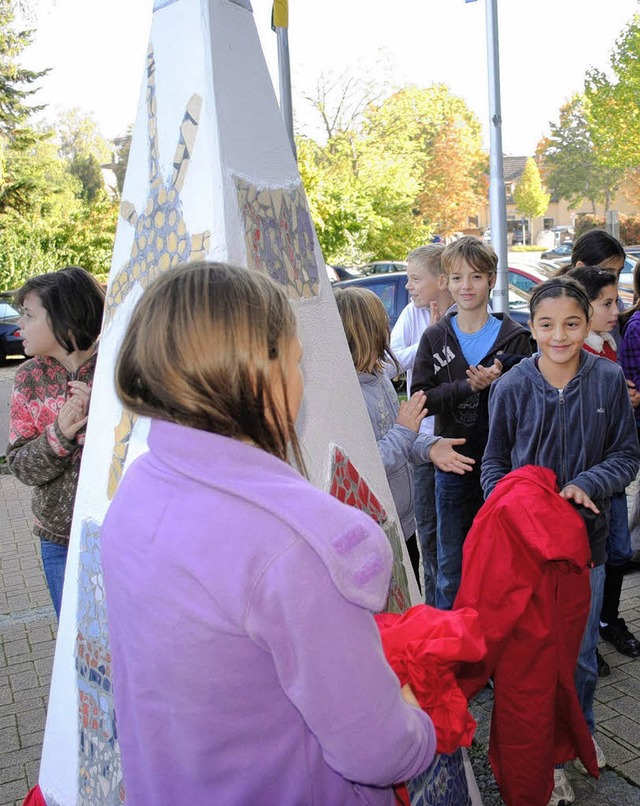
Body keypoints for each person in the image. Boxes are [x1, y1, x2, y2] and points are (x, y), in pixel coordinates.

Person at [101, 262, 437, 806]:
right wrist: (421, 724)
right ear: (262, 372)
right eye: (297, 360)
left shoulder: (139, 488)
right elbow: (376, 750)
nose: (301, 382)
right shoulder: (293, 545)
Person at [481, 277, 640, 805]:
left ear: (586, 323)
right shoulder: (511, 387)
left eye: (572, 323)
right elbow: (494, 466)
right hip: (526, 555)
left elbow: (626, 456)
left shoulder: (609, 379)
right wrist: (515, 509)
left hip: (586, 549)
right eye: (547, 325)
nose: (560, 336)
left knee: (580, 656)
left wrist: (587, 484)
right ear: (532, 327)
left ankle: (580, 733)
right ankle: (542, 757)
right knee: (531, 664)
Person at [412, 236, 533, 609]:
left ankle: (495, 650)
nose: (467, 286)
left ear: (492, 280)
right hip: (453, 465)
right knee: (451, 567)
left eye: (476, 277)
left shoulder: (517, 338)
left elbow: (531, 400)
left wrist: (504, 376)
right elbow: (420, 399)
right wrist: (467, 386)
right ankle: (453, 655)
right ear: (445, 281)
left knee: (502, 566)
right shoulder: (435, 336)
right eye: (458, 277)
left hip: (505, 468)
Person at [335, 285, 474, 589]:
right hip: (376, 529)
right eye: (381, 324)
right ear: (366, 332)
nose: (387, 329)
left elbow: (399, 435)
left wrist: (429, 446)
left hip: (403, 522)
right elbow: (364, 465)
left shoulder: (379, 377)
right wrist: (407, 433)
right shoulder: (347, 397)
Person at [7, 267, 104, 619]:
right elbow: (19, 465)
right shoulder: (29, 378)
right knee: (75, 639)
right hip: (59, 540)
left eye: (29, 315)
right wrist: (59, 436)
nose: (19, 324)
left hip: (123, 533)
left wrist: (106, 409)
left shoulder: (119, 366)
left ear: (64, 321)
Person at [565, 233, 640, 675]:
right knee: (590, 561)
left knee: (614, 553)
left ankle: (602, 625)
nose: (619, 310)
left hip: (612, 473)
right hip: (588, 479)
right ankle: (584, 643)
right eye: (609, 302)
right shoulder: (579, 355)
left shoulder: (607, 344)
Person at [390, 244, 453, 604]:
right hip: (422, 442)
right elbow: (391, 362)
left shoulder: (469, 313)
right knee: (426, 529)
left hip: (457, 437)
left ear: (440, 281)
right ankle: (433, 608)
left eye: (416, 279)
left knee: (455, 530)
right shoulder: (411, 316)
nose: (409, 286)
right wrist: (427, 340)